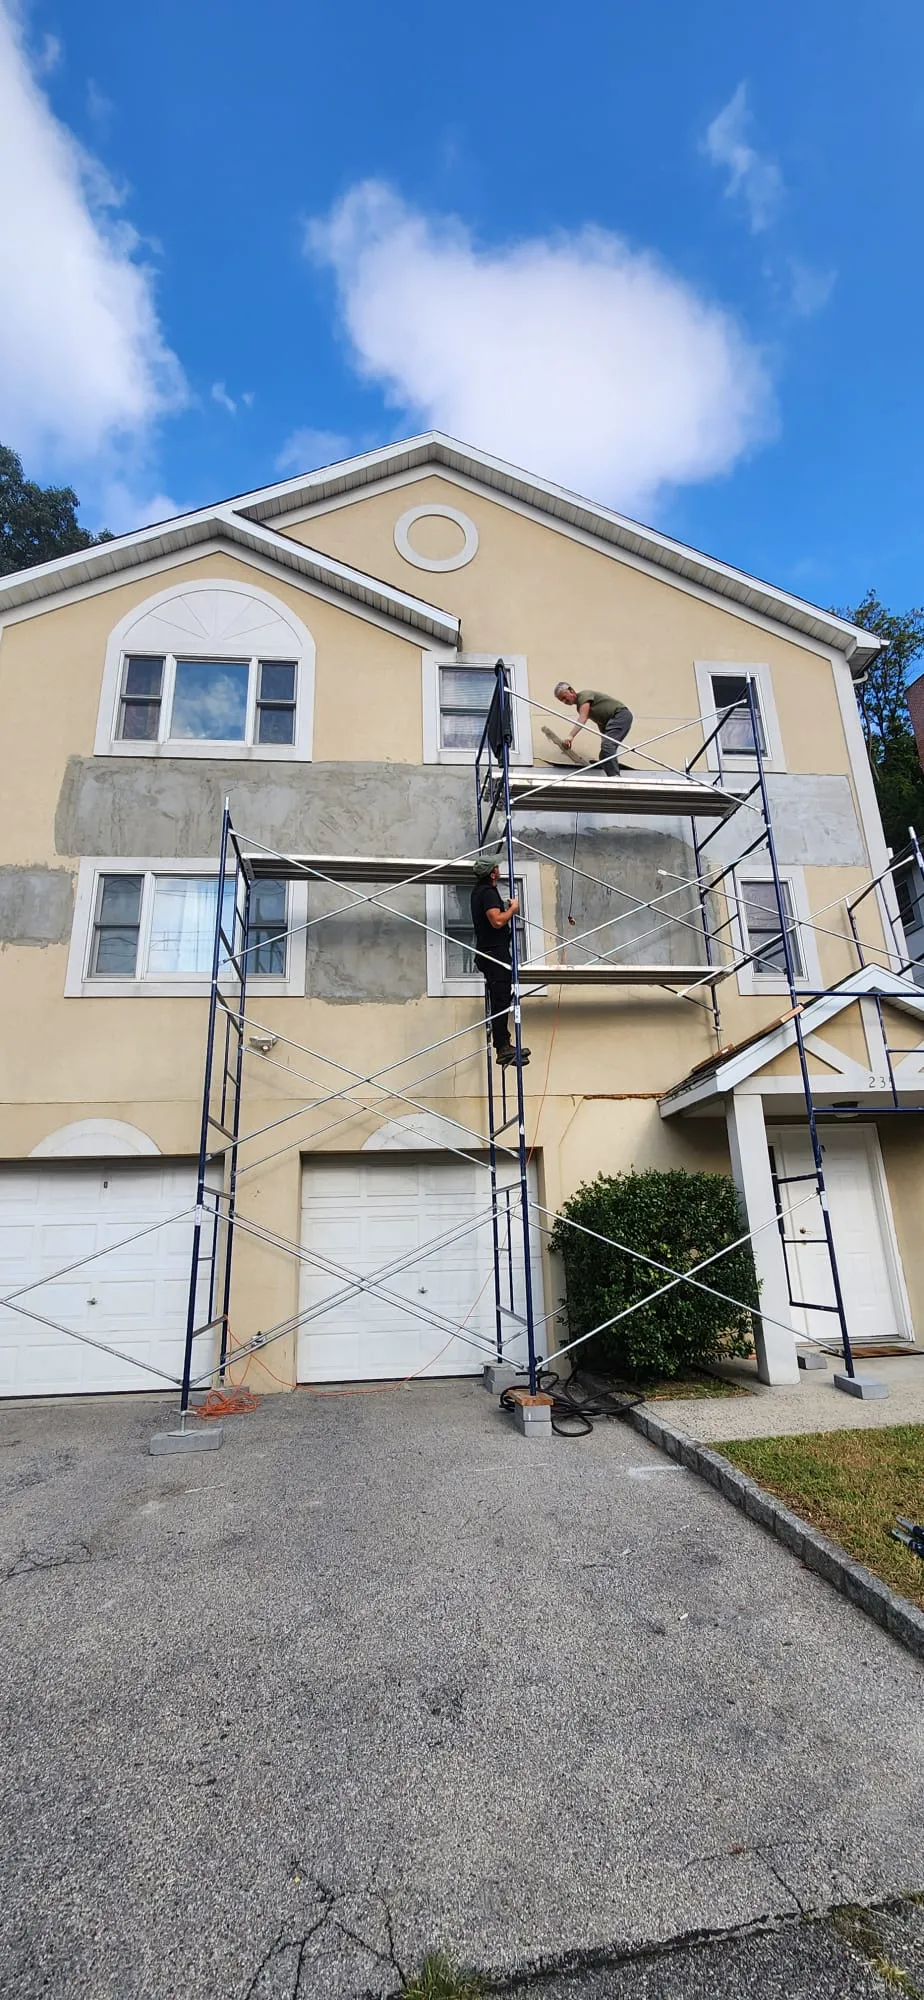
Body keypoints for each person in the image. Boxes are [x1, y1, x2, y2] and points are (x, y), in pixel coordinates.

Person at [470, 856, 531, 1068]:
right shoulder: (487, 892)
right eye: (496, 867)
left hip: (491, 952)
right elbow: (496, 921)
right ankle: (503, 1047)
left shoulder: (481, 891)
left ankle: (504, 1044)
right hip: (494, 953)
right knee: (501, 998)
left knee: (501, 997)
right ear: (492, 873)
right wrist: (512, 910)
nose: (499, 869)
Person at [554, 682, 633, 773]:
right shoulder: (580, 705)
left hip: (620, 715)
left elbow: (582, 719)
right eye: (562, 700)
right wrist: (604, 737)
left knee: (607, 746)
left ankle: (615, 776)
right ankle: (606, 767)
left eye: (564, 697)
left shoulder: (584, 696)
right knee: (604, 754)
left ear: (571, 690)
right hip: (614, 720)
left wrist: (570, 737)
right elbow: (600, 721)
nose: (564, 702)